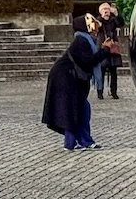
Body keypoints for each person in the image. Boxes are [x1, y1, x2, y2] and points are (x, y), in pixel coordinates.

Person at [42, 13, 116, 151]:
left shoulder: (84, 40)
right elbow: (88, 61)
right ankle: (76, 142)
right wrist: (105, 49)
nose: (95, 29)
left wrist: (104, 49)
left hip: (69, 77)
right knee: (74, 109)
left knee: (79, 108)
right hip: (66, 78)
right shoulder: (81, 41)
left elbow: (88, 60)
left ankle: (80, 141)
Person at [96, 2, 126, 100]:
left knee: (114, 71)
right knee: (101, 71)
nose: (106, 11)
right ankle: (100, 92)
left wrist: (117, 14)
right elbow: (95, 27)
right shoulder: (98, 20)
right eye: (104, 10)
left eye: (107, 9)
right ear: (101, 12)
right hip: (103, 46)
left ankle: (114, 92)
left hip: (112, 47)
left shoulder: (113, 20)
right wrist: (101, 18)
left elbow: (121, 24)